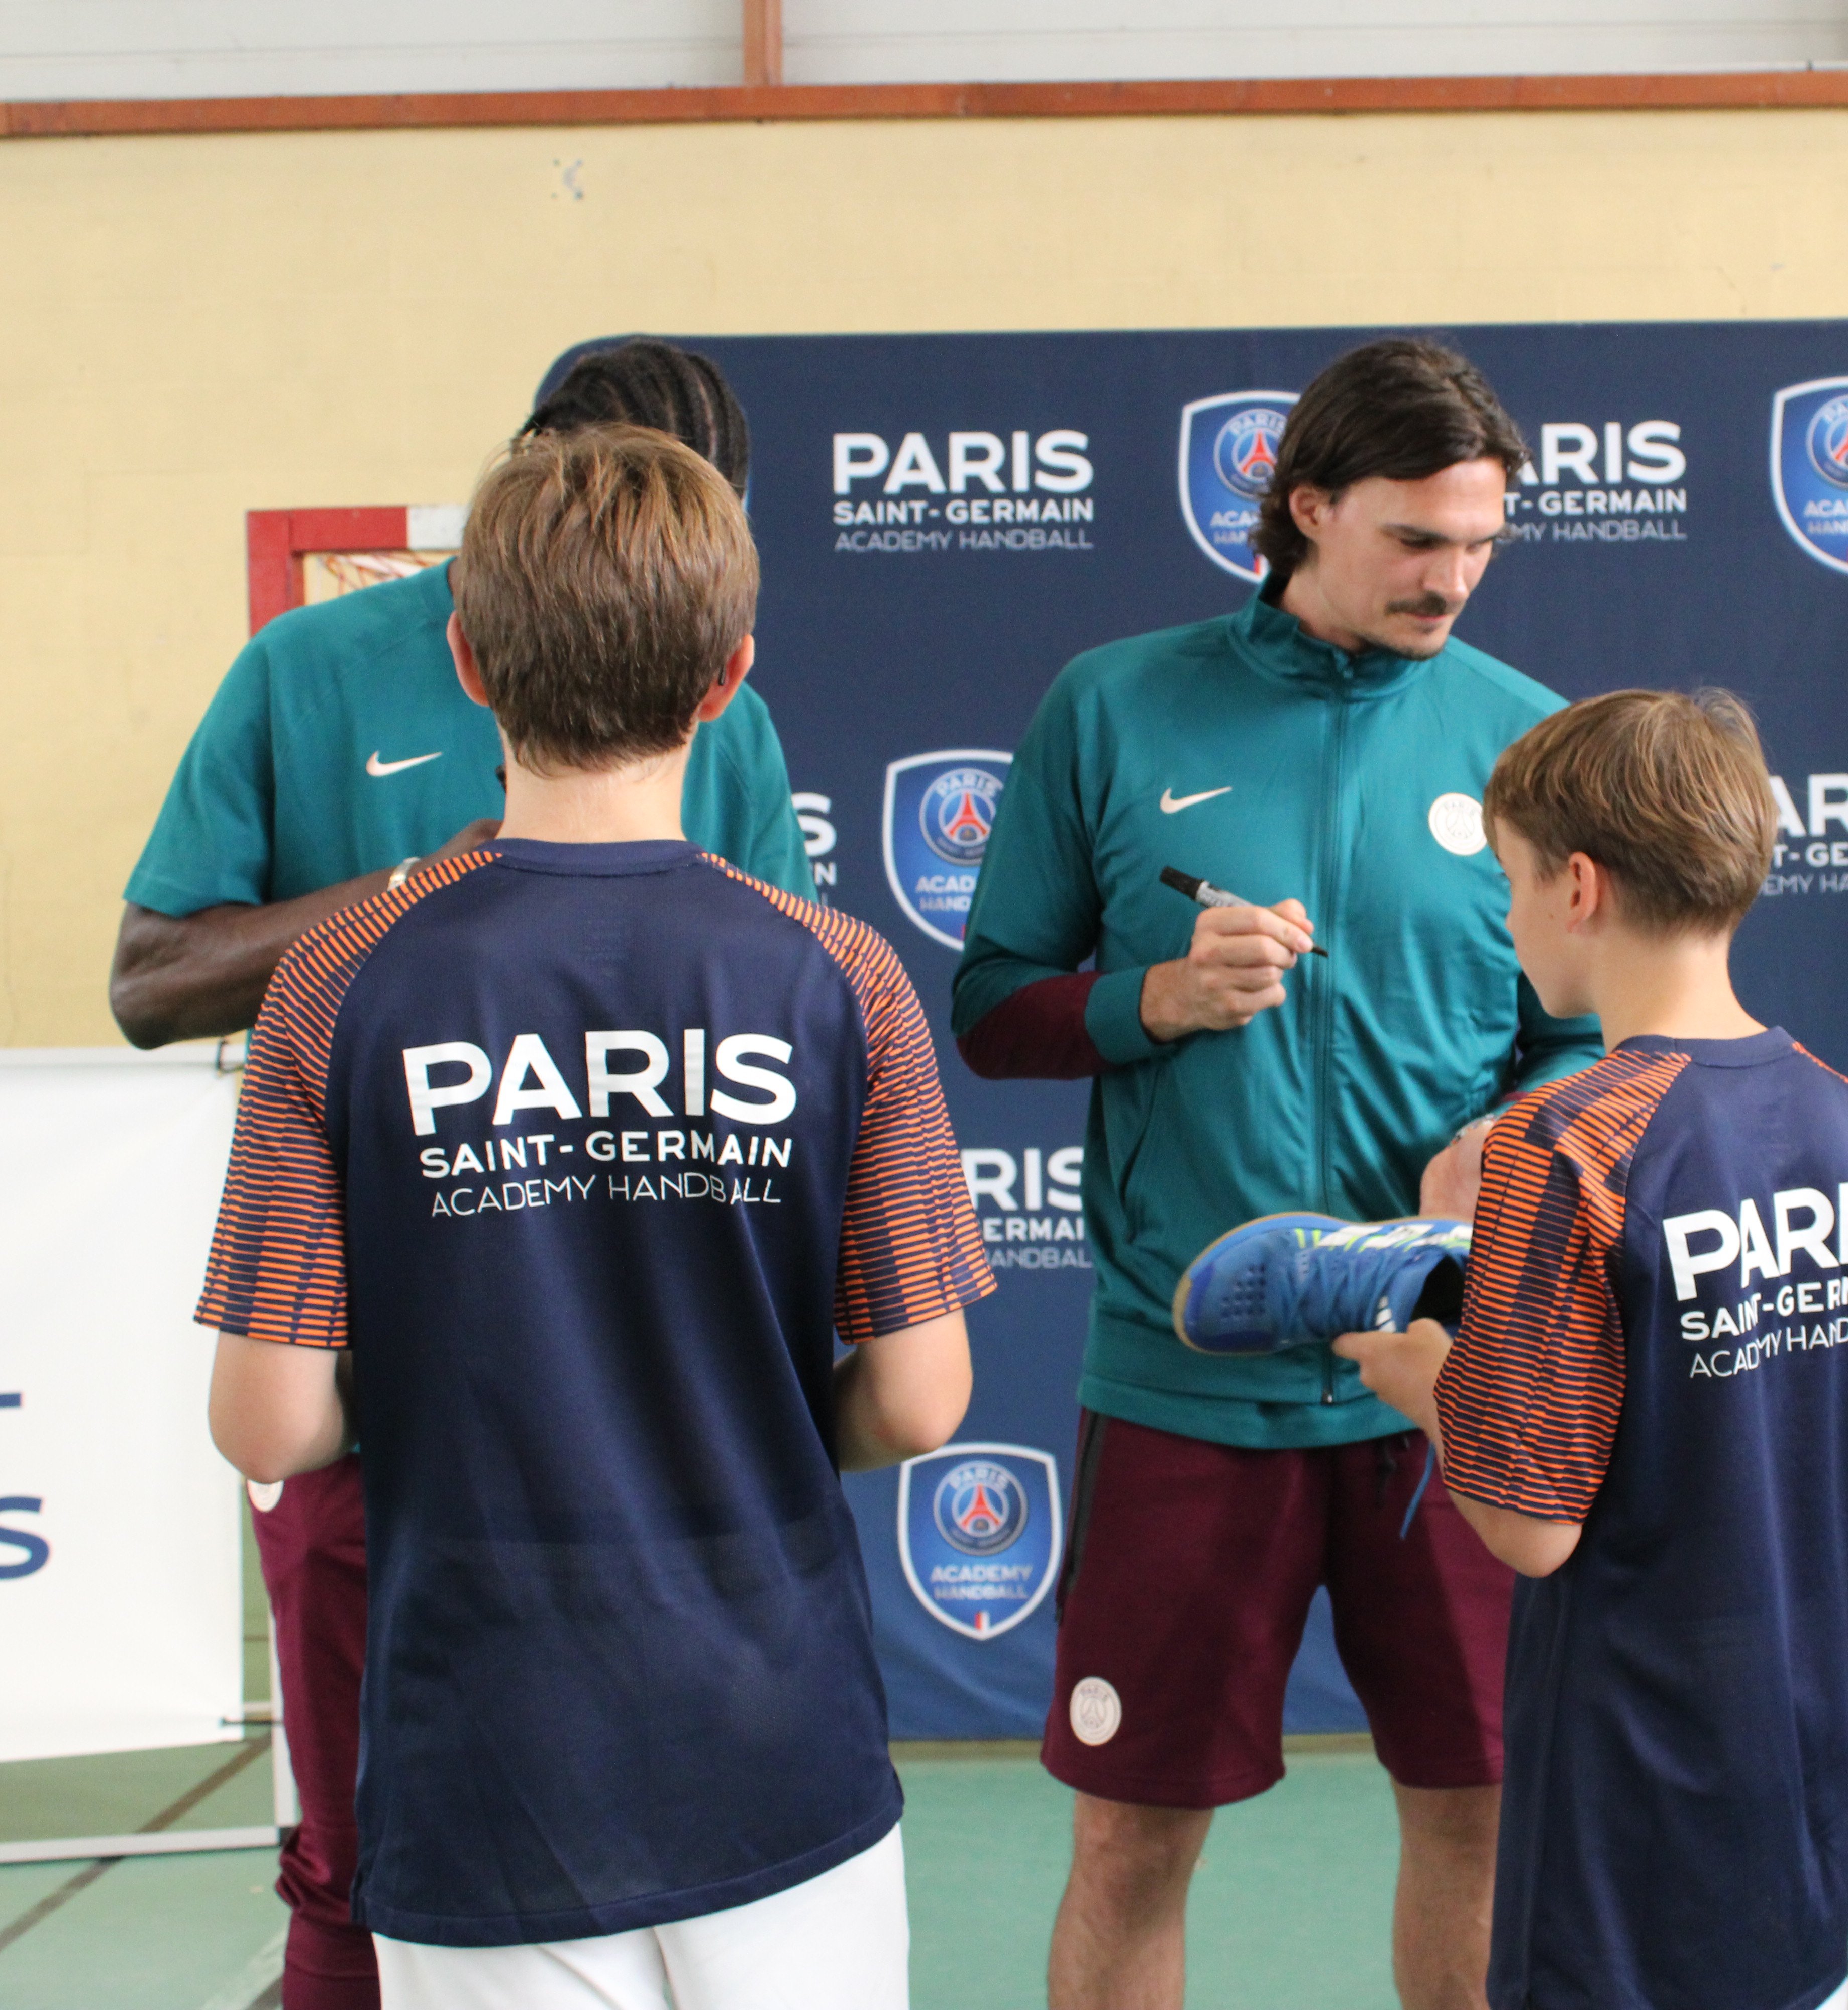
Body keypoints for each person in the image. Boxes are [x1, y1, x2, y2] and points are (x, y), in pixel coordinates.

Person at [197, 422, 991, 2006]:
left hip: (484, 1745)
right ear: (729, 680)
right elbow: (921, 1397)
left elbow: (270, 1427)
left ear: (470, 663)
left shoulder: (336, 983)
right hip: (780, 1740)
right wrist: (744, 1417)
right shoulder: (844, 977)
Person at [111, 339, 818, 2010]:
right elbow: (152, 979)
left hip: (651, 1400)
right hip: (382, 1401)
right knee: (364, 1857)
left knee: (703, 1872)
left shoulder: (736, 718)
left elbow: (803, 1009)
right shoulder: (307, 672)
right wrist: (420, 901)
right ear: (520, 481)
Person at [951, 336, 1602, 2010]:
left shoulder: (1528, 740)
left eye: (1478, 544)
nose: (1450, 580)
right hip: (1185, 1387)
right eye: (1413, 540)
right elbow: (991, 1008)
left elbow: (1596, 1033)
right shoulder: (1114, 702)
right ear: (1306, 505)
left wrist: (1520, 1128)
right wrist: (1151, 997)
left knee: (1482, 1811)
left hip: (1447, 1387)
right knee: (1132, 1845)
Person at [1324, 688, 1848, 2010]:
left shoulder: (1568, 1143)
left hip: (1621, 1836)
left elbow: (1526, 1519)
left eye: (1507, 882)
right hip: (1804, 1806)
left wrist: (1416, 1371)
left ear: (1578, 886)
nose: (1504, 919)